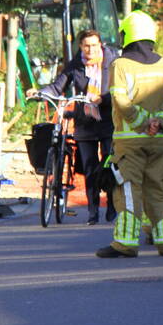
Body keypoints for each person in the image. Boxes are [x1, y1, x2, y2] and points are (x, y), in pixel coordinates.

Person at [96, 10, 163, 258]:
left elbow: (121, 101)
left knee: (128, 191)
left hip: (129, 141)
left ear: (127, 36)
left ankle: (125, 244)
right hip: (158, 141)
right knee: (158, 189)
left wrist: (143, 122)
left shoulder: (120, 65)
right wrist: (159, 122)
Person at [28, 29, 118, 224]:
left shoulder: (113, 63)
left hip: (108, 121)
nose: (90, 50)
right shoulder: (76, 65)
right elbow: (57, 86)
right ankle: (93, 212)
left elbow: (120, 90)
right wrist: (38, 92)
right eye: (86, 46)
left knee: (110, 165)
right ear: (80, 47)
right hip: (85, 124)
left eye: (94, 45)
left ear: (100, 45)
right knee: (90, 168)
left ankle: (112, 206)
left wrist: (103, 98)